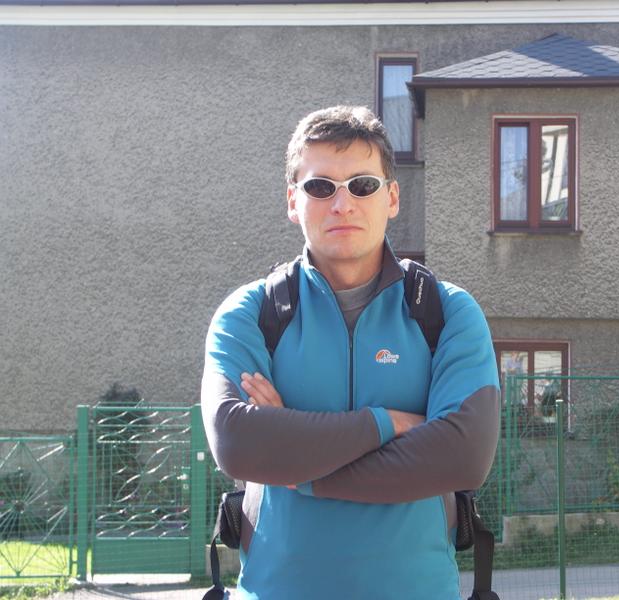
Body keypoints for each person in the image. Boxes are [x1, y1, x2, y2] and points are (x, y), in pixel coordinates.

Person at [201, 105, 500, 600]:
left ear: (392, 197)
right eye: (321, 187)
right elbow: (237, 443)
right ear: (293, 200)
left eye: (362, 185)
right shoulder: (251, 313)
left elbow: (464, 456)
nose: (343, 204)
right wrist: (390, 423)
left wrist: (298, 468)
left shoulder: (446, 312)